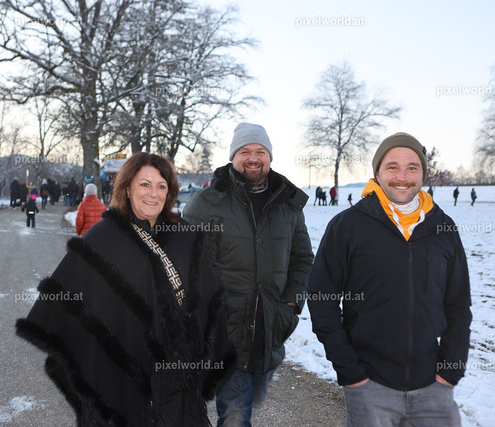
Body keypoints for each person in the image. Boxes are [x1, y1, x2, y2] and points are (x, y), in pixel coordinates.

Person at [16, 152, 236, 426]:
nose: (153, 193)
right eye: (144, 184)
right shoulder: (101, 239)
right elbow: (66, 309)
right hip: (121, 384)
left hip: (180, 385)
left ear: (169, 192)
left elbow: (211, 302)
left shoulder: (186, 236)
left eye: (161, 186)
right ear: (128, 188)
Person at [308, 132, 472, 427]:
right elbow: (322, 300)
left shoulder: (443, 227)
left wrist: (450, 370)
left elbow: (459, 304)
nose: (402, 177)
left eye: (412, 168)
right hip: (369, 386)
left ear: (422, 173)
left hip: (434, 387)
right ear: (378, 173)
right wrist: (351, 372)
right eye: (392, 167)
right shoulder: (347, 226)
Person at [183, 122, 314, 426]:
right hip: (226, 333)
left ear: (269, 157)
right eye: (245, 151)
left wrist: (291, 303)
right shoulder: (206, 202)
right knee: (236, 414)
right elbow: (187, 263)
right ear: (233, 157)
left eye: (260, 151)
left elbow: (302, 259)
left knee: (253, 400)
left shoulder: (289, 205)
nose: (253, 158)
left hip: (270, 329)